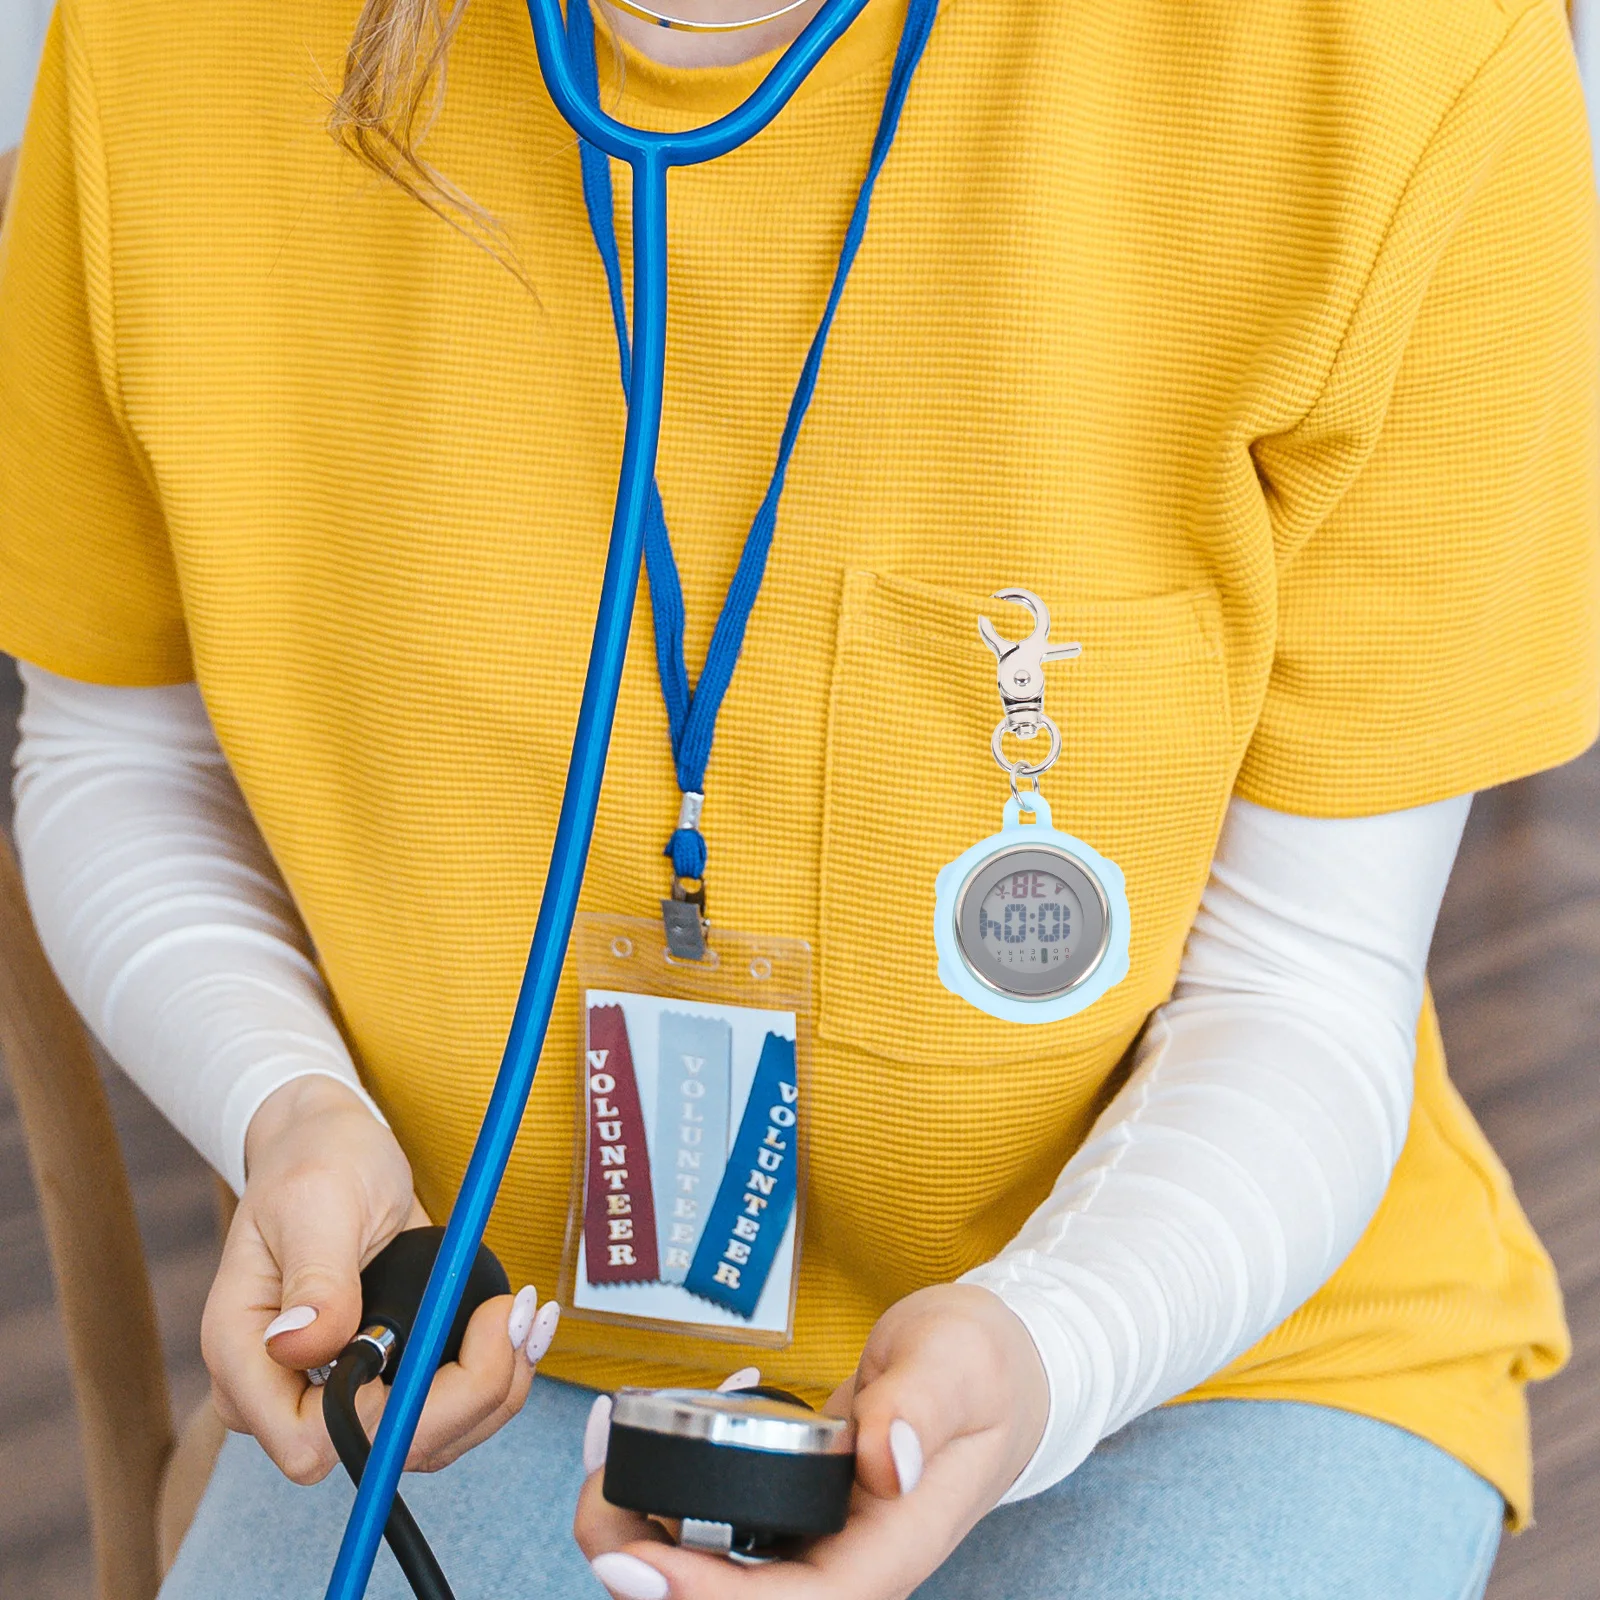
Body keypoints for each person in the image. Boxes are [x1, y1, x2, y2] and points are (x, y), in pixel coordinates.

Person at [1, 0, 1595, 1595]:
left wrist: (1059, 1343)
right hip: (477, 1320)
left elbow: (1301, 983)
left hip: (1204, 1335)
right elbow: (120, 753)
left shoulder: (1396, 66)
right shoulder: (168, 45)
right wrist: (287, 1105)